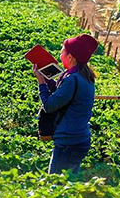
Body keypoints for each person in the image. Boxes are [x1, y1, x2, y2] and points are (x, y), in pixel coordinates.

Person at [34, 34, 98, 174]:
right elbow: (63, 95)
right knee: (70, 184)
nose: (60, 53)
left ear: (70, 57)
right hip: (79, 139)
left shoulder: (72, 79)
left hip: (69, 143)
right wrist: (48, 80)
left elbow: (49, 106)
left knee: (56, 185)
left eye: (63, 50)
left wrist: (41, 82)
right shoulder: (84, 76)